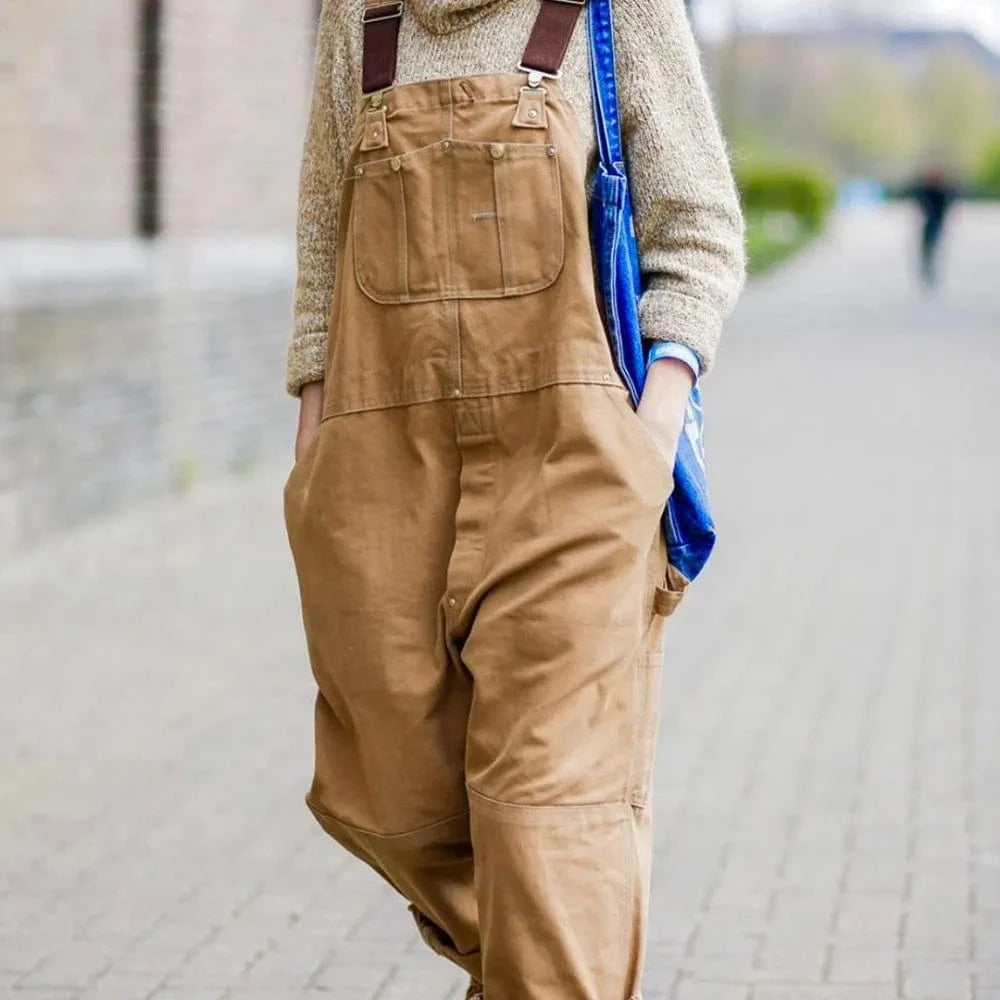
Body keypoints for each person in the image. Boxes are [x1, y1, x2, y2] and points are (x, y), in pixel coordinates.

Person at [282, 1, 745, 997]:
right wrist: (316, 437)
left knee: (546, 818)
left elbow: (698, 226)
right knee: (387, 800)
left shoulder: (617, 12)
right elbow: (324, 230)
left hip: (573, 472)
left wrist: (648, 435)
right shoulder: (356, 17)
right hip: (377, 477)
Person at [906, 169, 958, 288]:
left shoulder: (940, 192)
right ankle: (927, 270)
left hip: (935, 223)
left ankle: (929, 271)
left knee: (931, 248)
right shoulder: (931, 191)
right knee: (928, 249)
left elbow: (945, 204)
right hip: (931, 223)